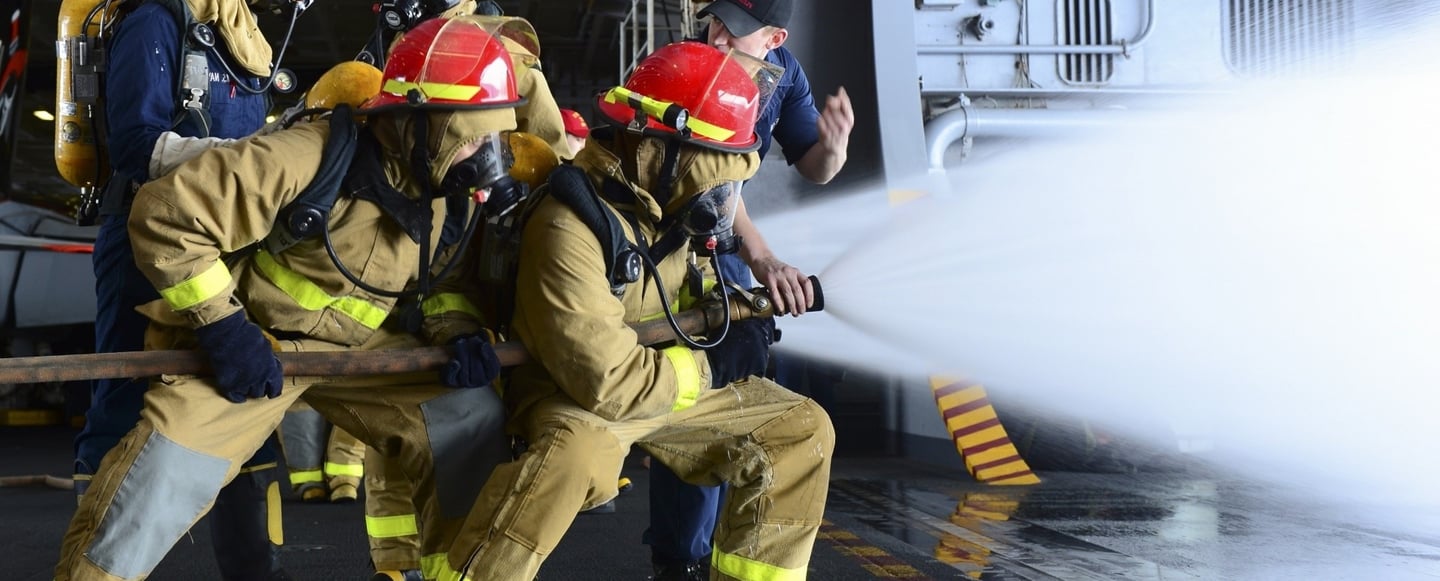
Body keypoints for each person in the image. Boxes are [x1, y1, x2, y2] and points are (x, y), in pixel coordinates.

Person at [54, 16, 520, 581]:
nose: (486, 156)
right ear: (418, 120)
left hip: (361, 352)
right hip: (259, 344)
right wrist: (224, 329)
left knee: (470, 417)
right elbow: (167, 216)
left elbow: (444, 283)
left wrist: (459, 331)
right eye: (473, 137)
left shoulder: (448, 196)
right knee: (158, 478)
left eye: (493, 138)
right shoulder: (307, 154)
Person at [443, 40, 835, 581]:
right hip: (578, 399)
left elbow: (691, 294)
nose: (722, 194)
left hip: (664, 386)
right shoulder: (568, 225)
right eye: (714, 166)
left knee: (799, 428)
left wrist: (735, 314)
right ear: (655, 145)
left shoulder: (671, 204)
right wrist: (715, 364)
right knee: (571, 459)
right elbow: (606, 382)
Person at [73, 0, 295, 578]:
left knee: (244, 398)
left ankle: (258, 572)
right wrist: (249, 161)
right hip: (145, 241)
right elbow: (135, 145)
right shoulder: (156, 19)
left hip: (227, 243)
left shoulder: (242, 32)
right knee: (126, 399)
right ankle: (92, 567)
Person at [645, 0, 855, 577]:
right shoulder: (688, 63)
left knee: (736, 381)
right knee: (689, 390)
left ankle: (721, 549)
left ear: (775, 39)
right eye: (716, 20)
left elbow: (814, 166)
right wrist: (761, 257)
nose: (717, 37)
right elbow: (707, 185)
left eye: (735, 30)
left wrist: (835, 146)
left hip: (722, 243)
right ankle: (678, 558)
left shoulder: (784, 76)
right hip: (668, 240)